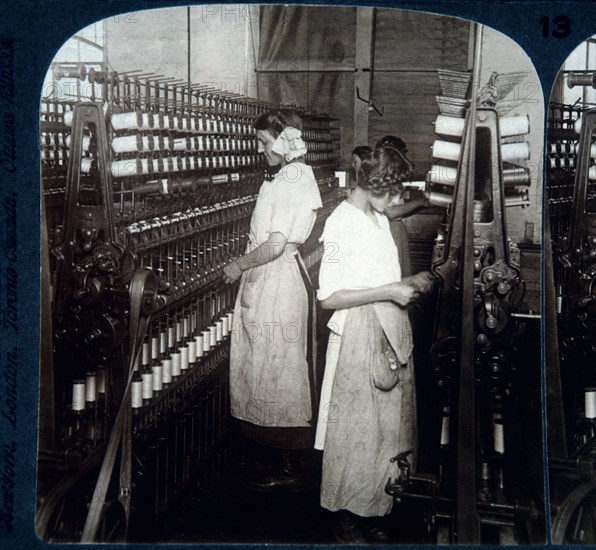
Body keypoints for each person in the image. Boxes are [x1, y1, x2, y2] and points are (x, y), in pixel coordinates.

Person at [315, 146, 435, 543]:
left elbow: (383, 273)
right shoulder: (339, 224)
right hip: (359, 333)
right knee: (355, 432)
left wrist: (410, 284)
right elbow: (328, 296)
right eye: (391, 191)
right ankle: (346, 516)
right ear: (369, 186)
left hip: (389, 327)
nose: (396, 199)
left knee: (386, 430)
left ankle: (374, 507)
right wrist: (390, 290)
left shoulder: (377, 218)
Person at [222, 109, 322, 489]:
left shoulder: (291, 180)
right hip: (272, 280)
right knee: (270, 367)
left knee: (280, 370)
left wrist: (238, 265)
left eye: (264, 142)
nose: (260, 148)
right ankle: (277, 458)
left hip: (276, 281)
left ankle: (290, 467)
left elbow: (276, 244)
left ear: (282, 142)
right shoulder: (292, 175)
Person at [375, 135, 428, 278]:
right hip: (389, 229)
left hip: (396, 230)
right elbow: (391, 213)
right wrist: (420, 202)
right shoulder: (381, 179)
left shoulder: (391, 178)